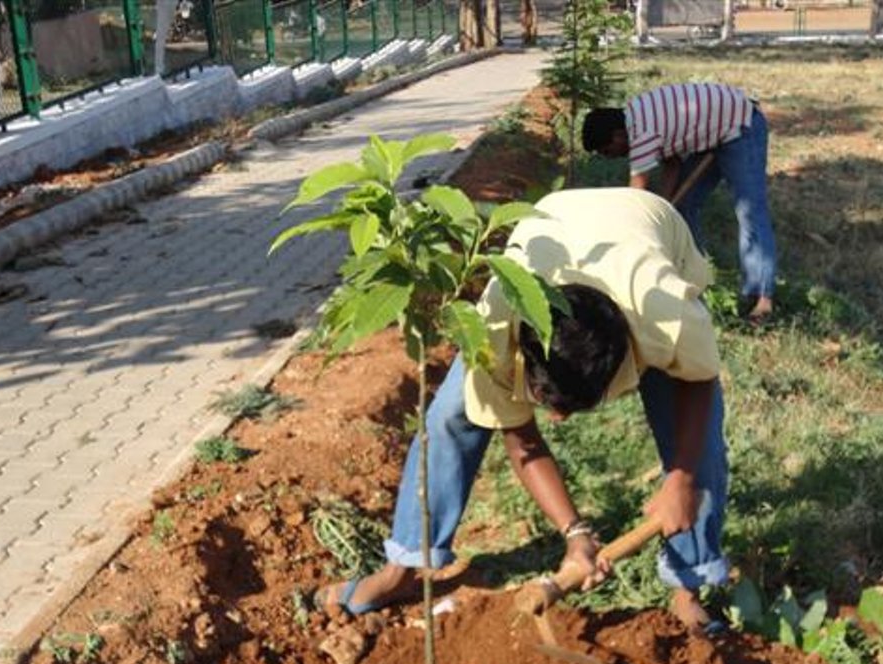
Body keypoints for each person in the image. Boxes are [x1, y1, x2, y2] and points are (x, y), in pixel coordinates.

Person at [314, 187, 731, 633]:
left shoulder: (666, 311)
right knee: (448, 418)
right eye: (548, 403)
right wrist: (574, 533)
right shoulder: (496, 326)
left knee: (696, 444)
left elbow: (699, 379)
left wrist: (681, 479)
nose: (556, 420)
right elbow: (522, 438)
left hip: (650, 223)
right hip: (554, 229)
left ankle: (690, 584)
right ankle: (404, 569)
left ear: (628, 357)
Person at [582, 83, 777, 323]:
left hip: (741, 125)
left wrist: (625, 245)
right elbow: (672, 164)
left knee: (749, 212)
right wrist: (666, 208)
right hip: (712, 132)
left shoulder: (642, 134)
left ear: (618, 135)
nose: (611, 157)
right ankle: (695, 278)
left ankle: (762, 298)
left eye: (607, 150)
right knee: (683, 207)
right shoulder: (638, 116)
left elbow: (636, 199)